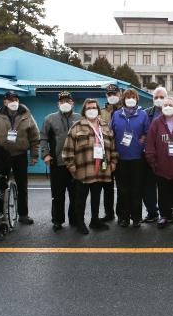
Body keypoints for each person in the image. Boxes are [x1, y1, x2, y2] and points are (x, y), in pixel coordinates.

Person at [0, 91, 40, 224]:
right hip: (1, 155)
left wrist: (34, 155)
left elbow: (35, 137)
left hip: (20, 155)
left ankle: (23, 214)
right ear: (5, 102)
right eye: (11, 99)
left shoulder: (27, 115)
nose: (14, 101)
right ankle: (1, 214)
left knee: (22, 186)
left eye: (16, 99)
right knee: (0, 185)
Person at [62, 99, 119, 234]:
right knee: (80, 198)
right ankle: (80, 222)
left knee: (96, 197)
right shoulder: (76, 127)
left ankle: (94, 220)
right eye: (88, 108)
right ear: (84, 111)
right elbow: (67, 149)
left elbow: (113, 148)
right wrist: (71, 166)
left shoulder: (105, 126)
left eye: (94, 107)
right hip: (83, 170)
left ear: (98, 110)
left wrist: (113, 163)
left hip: (101, 170)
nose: (92, 110)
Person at [145, 96, 173, 229]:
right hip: (161, 167)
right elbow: (150, 143)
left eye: (171, 105)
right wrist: (153, 162)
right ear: (162, 108)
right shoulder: (156, 123)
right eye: (166, 105)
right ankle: (163, 216)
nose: (168, 107)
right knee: (163, 193)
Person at [40, 91, 81, 231]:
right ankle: (57, 220)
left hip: (76, 164)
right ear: (58, 103)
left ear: (72, 103)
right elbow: (43, 138)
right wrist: (45, 155)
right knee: (57, 195)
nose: (65, 103)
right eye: (62, 101)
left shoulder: (80, 118)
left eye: (67, 101)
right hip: (57, 163)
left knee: (75, 194)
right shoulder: (49, 119)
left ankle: (74, 219)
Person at [110, 88, 150, 228]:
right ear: (124, 99)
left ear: (137, 99)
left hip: (137, 158)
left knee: (136, 189)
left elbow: (147, 132)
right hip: (121, 158)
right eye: (128, 97)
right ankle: (123, 217)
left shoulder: (143, 114)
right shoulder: (116, 115)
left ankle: (137, 217)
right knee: (122, 190)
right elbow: (111, 134)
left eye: (133, 97)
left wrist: (143, 138)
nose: (130, 99)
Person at [140, 86, 168, 223]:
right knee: (148, 186)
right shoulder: (146, 114)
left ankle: (167, 212)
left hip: (167, 157)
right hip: (149, 157)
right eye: (156, 97)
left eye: (162, 97)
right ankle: (152, 212)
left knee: (166, 187)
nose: (159, 100)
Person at [98, 83, 121, 223]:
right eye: (109, 94)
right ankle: (109, 213)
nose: (112, 96)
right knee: (107, 185)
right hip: (105, 155)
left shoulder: (125, 110)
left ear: (119, 95)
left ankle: (122, 213)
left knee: (122, 186)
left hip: (121, 154)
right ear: (106, 96)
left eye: (115, 94)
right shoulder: (100, 112)